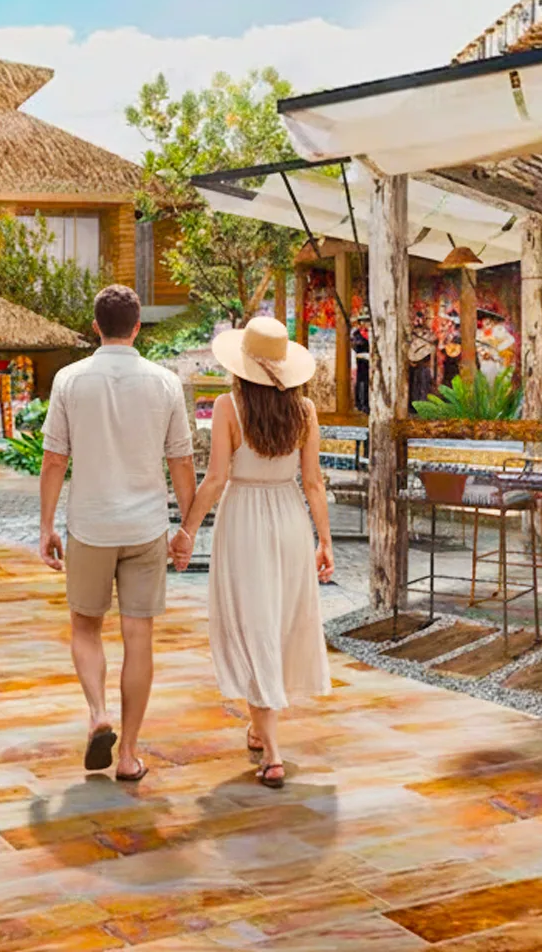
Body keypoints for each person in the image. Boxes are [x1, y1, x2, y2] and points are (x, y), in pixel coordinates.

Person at [39, 285, 195, 783]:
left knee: (85, 627)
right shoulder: (165, 383)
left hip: (90, 523)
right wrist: (186, 529)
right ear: (137, 327)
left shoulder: (69, 380)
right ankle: (127, 754)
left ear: (94, 326)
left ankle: (97, 713)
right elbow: (182, 462)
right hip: (146, 526)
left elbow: (55, 459)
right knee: (139, 637)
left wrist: (45, 525)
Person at [171, 316, 334, 789]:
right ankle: (259, 727)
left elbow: (217, 479)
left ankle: (274, 752)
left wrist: (187, 531)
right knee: (275, 625)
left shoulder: (228, 406)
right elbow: (313, 482)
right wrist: (324, 541)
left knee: (251, 625)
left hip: (242, 519)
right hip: (288, 520)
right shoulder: (304, 411)